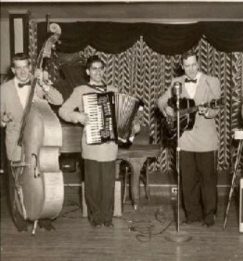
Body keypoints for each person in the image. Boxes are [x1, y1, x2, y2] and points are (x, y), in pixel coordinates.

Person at [59, 55, 141, 228]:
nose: (98, 72)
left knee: (108, 183)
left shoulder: (113, 89)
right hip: (90, 144)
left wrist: (132, 126)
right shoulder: (80, 90)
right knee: (92, 183)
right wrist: (78, 116)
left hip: (109, 146)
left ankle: (107, 217)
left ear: (104, 70)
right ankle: (95, 217)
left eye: (101, 68)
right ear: (88, 71)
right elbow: (63, 111)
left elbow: (123, 115)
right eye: (94, 69)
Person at [0, 53, 64, 231]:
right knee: (16, 181)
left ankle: (43, 215)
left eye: (25, 67)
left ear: (30, 67)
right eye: (18, 68)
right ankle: (19, 219)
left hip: (37, 142)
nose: (22, 71)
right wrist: (3, 120)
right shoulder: (4, 89)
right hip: (15, 142)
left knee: (40, 176)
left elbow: (59, 100)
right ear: (13, 70)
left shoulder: (37, 85)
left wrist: (44, 84)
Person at [157, 50, 221, 227]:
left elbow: (217, 106)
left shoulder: (212, 81)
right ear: (182, 66)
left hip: (206, 139)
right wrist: (166, 110)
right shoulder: (176, 82)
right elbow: (161, 101)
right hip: (184, 138)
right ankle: (193, 214)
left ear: (198, 64)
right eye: (187, 66)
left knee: (207, 179)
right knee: (188, 179)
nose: (191, 69)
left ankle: (210, 214)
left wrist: (208, 111)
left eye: (193, 65)